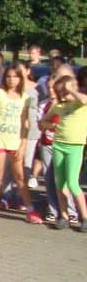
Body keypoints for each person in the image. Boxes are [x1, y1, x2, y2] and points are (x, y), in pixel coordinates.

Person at [0, 65, 42, 224]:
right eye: (8, 76)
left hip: (15, 141)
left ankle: (30, 209)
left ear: (21, 78)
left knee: (20, 176)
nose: (12, 80)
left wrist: (23, 145)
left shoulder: (24, 98)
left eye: (15, 76)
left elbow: (25, 123)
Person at [39, 74, 87, 230]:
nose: (64, 95)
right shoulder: (58, 106)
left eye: (65, 92)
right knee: (60, 183)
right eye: (61, 92)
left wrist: (71, 91)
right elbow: (43, 122)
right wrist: (50, 125)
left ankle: (84, 216)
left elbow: (84, 100)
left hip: (75, 146)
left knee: (73, 183)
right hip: (58, 145)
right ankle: (64, 216)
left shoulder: (81, 104)